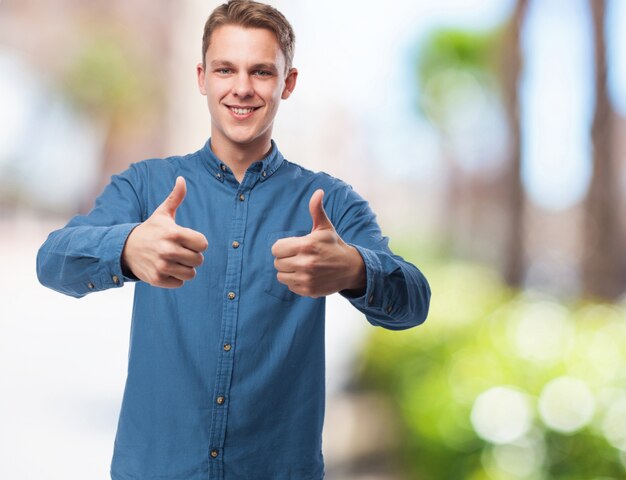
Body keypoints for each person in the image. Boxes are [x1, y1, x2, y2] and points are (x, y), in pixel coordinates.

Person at [36, 1, 431, 478]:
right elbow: (51, 262)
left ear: (287, 83)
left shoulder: (330, 201)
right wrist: (126, 248)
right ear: (202, 78)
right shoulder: (145, 185)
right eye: (226, 69)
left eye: (261, 72)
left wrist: (354, 269)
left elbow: (414, 302)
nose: (241, 88)